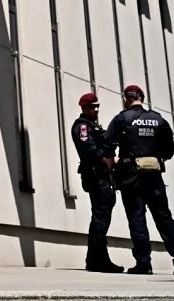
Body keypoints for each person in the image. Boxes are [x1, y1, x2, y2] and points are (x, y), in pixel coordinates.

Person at [104, 84, 174, 275]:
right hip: (154, 175)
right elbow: (169, 151)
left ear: (126, 99)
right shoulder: (159, 120)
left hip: (130, 176)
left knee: (137, 218)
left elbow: (107, 145)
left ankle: (144, 263)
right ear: (142, 98)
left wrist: (114, 163)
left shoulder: (122, 119)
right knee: (164, 218)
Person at [70, 92, 124, 273]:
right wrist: (107, 159)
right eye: (93, 107)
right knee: (100, 219)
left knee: (102, 218)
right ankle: (98, 260)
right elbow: (89, 150)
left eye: (98, 106)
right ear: (84, 107)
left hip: (103, 176)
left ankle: (96, 258)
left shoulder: (93, 125)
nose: (96, 109)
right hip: (96, 176)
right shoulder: (83, 127)